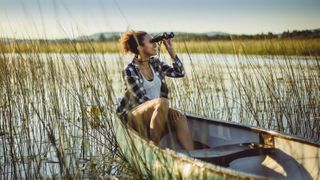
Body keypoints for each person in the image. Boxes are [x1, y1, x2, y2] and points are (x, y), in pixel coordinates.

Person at [116, 30, 194, 150]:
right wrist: (164, 107)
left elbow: (179, 73)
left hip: (157, 109)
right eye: (151, 42)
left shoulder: (156, 63)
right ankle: (154, 148)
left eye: (155, 41)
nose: (155, 44)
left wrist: (171, 52)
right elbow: (140, 99)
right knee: (162, 102)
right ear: (140, 47)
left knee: (180, 117)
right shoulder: (130, 69)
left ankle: (192, 155)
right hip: (134, 115)